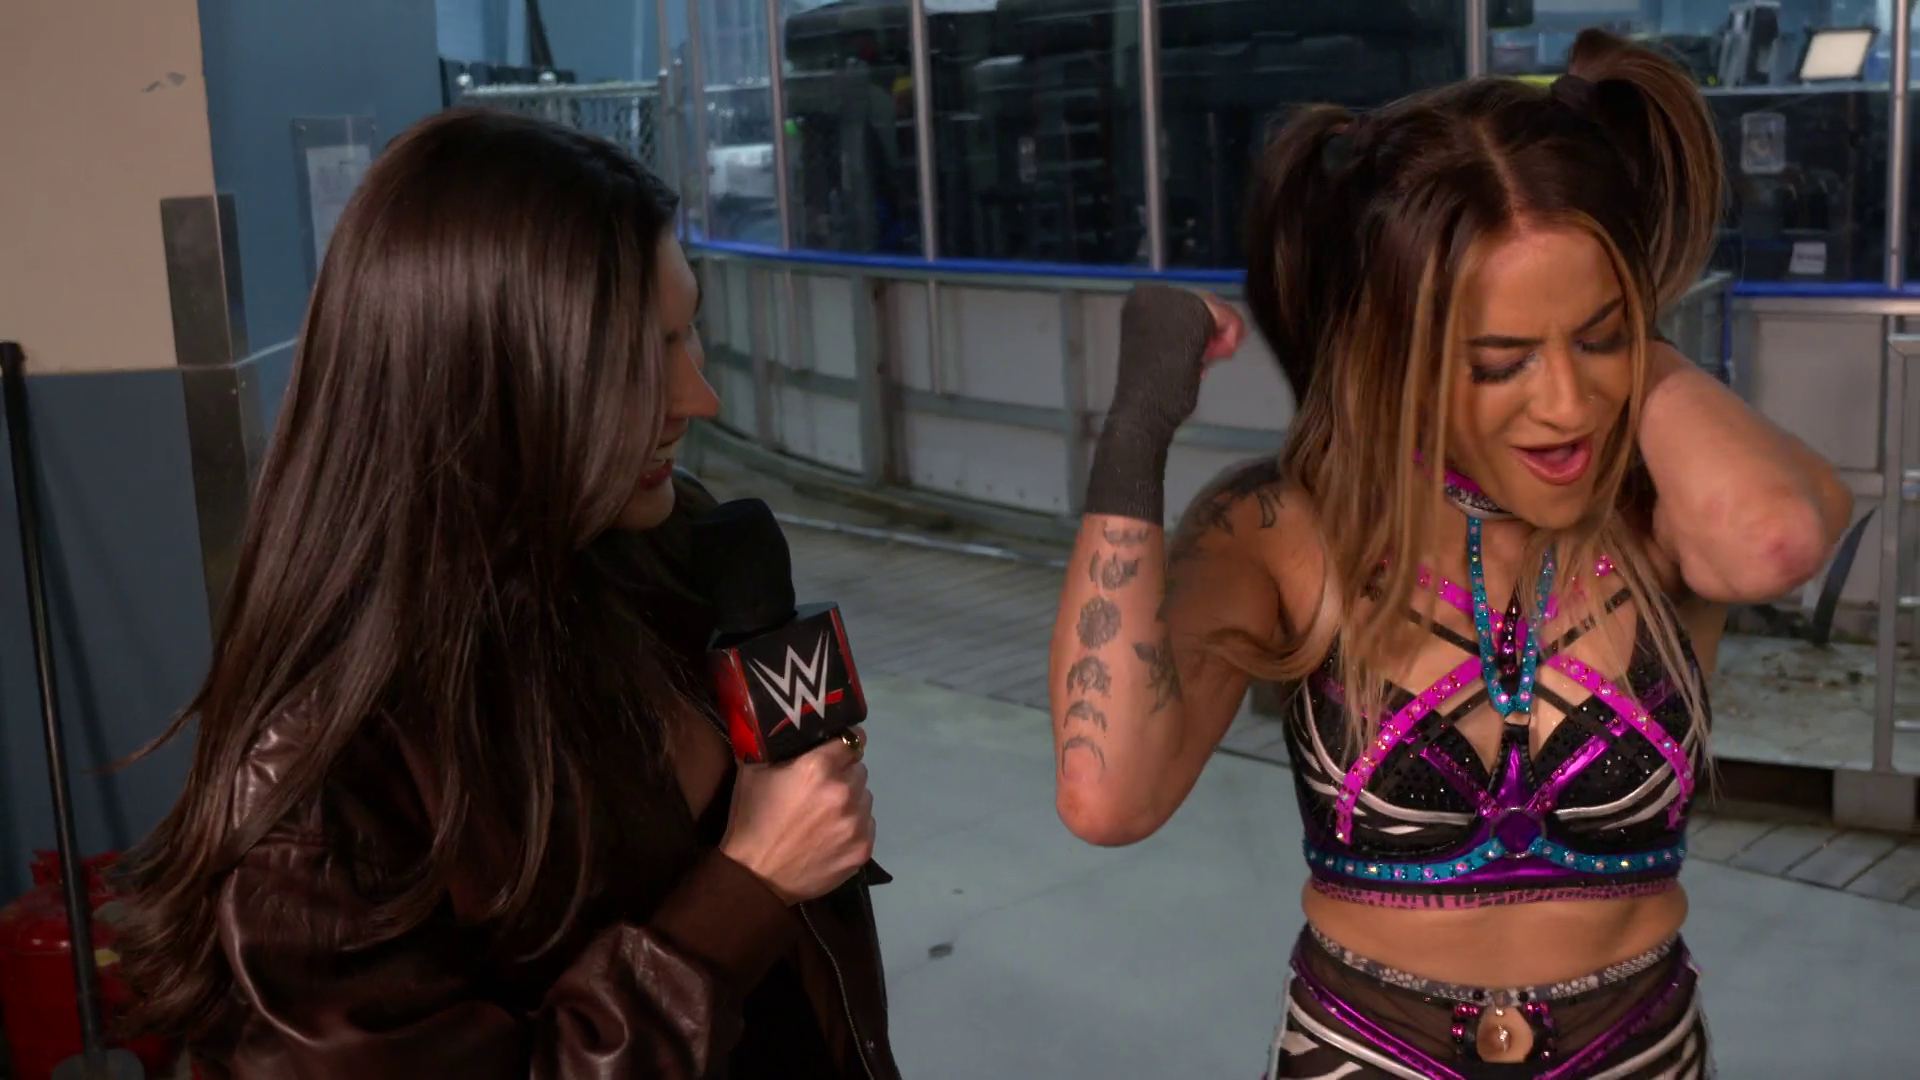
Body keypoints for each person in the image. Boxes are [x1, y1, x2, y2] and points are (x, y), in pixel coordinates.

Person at [1049, 30, 1850, 1079]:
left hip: (1639, 1048)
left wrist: (1612, 319)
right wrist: (1136, 426)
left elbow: (1774, 541)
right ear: (1393, 358)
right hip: (1365, 1051)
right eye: (1498, 361)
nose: (1566, 405)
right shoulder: (1285, 529)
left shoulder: (1660, 510)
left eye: (1601, 339)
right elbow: (1109, 796)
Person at [115, 109, 901, 1080]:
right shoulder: (325, 790)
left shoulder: (679, 546)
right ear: (488, 385)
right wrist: (747, 888)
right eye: (638, 360)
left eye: (687, 333)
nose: (701, 399)